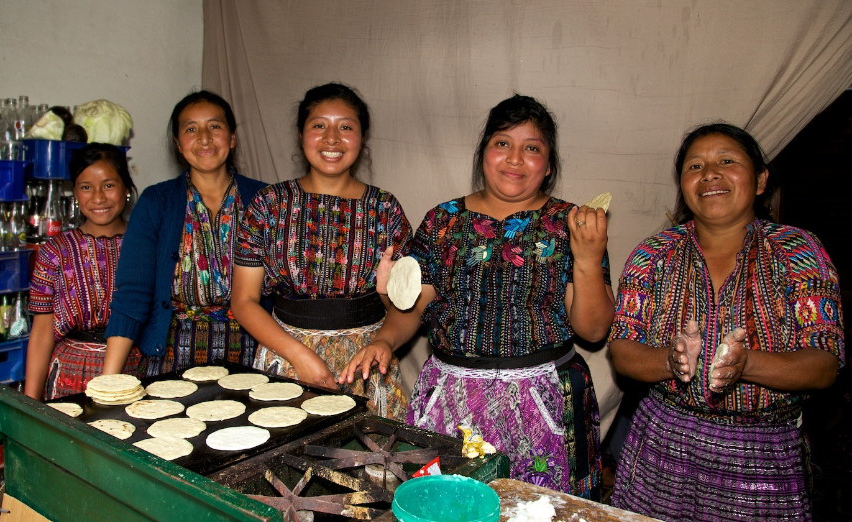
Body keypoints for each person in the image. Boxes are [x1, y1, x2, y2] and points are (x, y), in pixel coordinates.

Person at [340, 94, 615, 498]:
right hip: (452, 399)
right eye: (502, 143)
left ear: (549, 164)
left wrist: (589, 259)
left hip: (543, 403)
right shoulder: (442, 221)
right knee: (449, 507)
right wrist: (384, 339)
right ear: (483, 152)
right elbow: (413, 309)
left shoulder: (571, 224)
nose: (515, 159)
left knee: (534, 509)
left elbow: (592, 330)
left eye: (532, 148)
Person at [608, 123, 845, 521]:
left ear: (760, 179)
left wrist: (747, 364)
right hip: (662, 447)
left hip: (761, 459)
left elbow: (823, 365)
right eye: (695, 166)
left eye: (727, 161)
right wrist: (671, 361)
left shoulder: (798, 251)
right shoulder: (654, 253)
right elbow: (622, 349)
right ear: (683, 185)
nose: (710, 174)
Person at [231, 83, 412, 421]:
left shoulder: (385, 210)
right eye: (319, 125)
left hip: (366, 367)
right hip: (285, 361)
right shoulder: (269, 205)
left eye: (345, 127)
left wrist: (386, 307)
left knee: (368, 466)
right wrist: (299, 357)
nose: (332, 138)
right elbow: (243, 301)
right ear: (301, 135)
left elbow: (405, 309)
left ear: (361, 137)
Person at [102, 91, 267, 376]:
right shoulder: (157, 203)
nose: (204, 138)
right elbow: (133, 294)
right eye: (191, 129)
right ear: (178, 144)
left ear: (232, 137)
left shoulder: (264, 199)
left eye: (214, 126)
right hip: (171, 354)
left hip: (251, 354)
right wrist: (108, 382)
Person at [25, 143, 141, 400]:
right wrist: (29, 404)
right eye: (86, 187)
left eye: (109, 185)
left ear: (127, 189)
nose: (98, 197)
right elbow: (43, 332)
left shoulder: (147, 246)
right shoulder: (54, 252)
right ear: (75, 193)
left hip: (135, 374)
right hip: (70, 375)